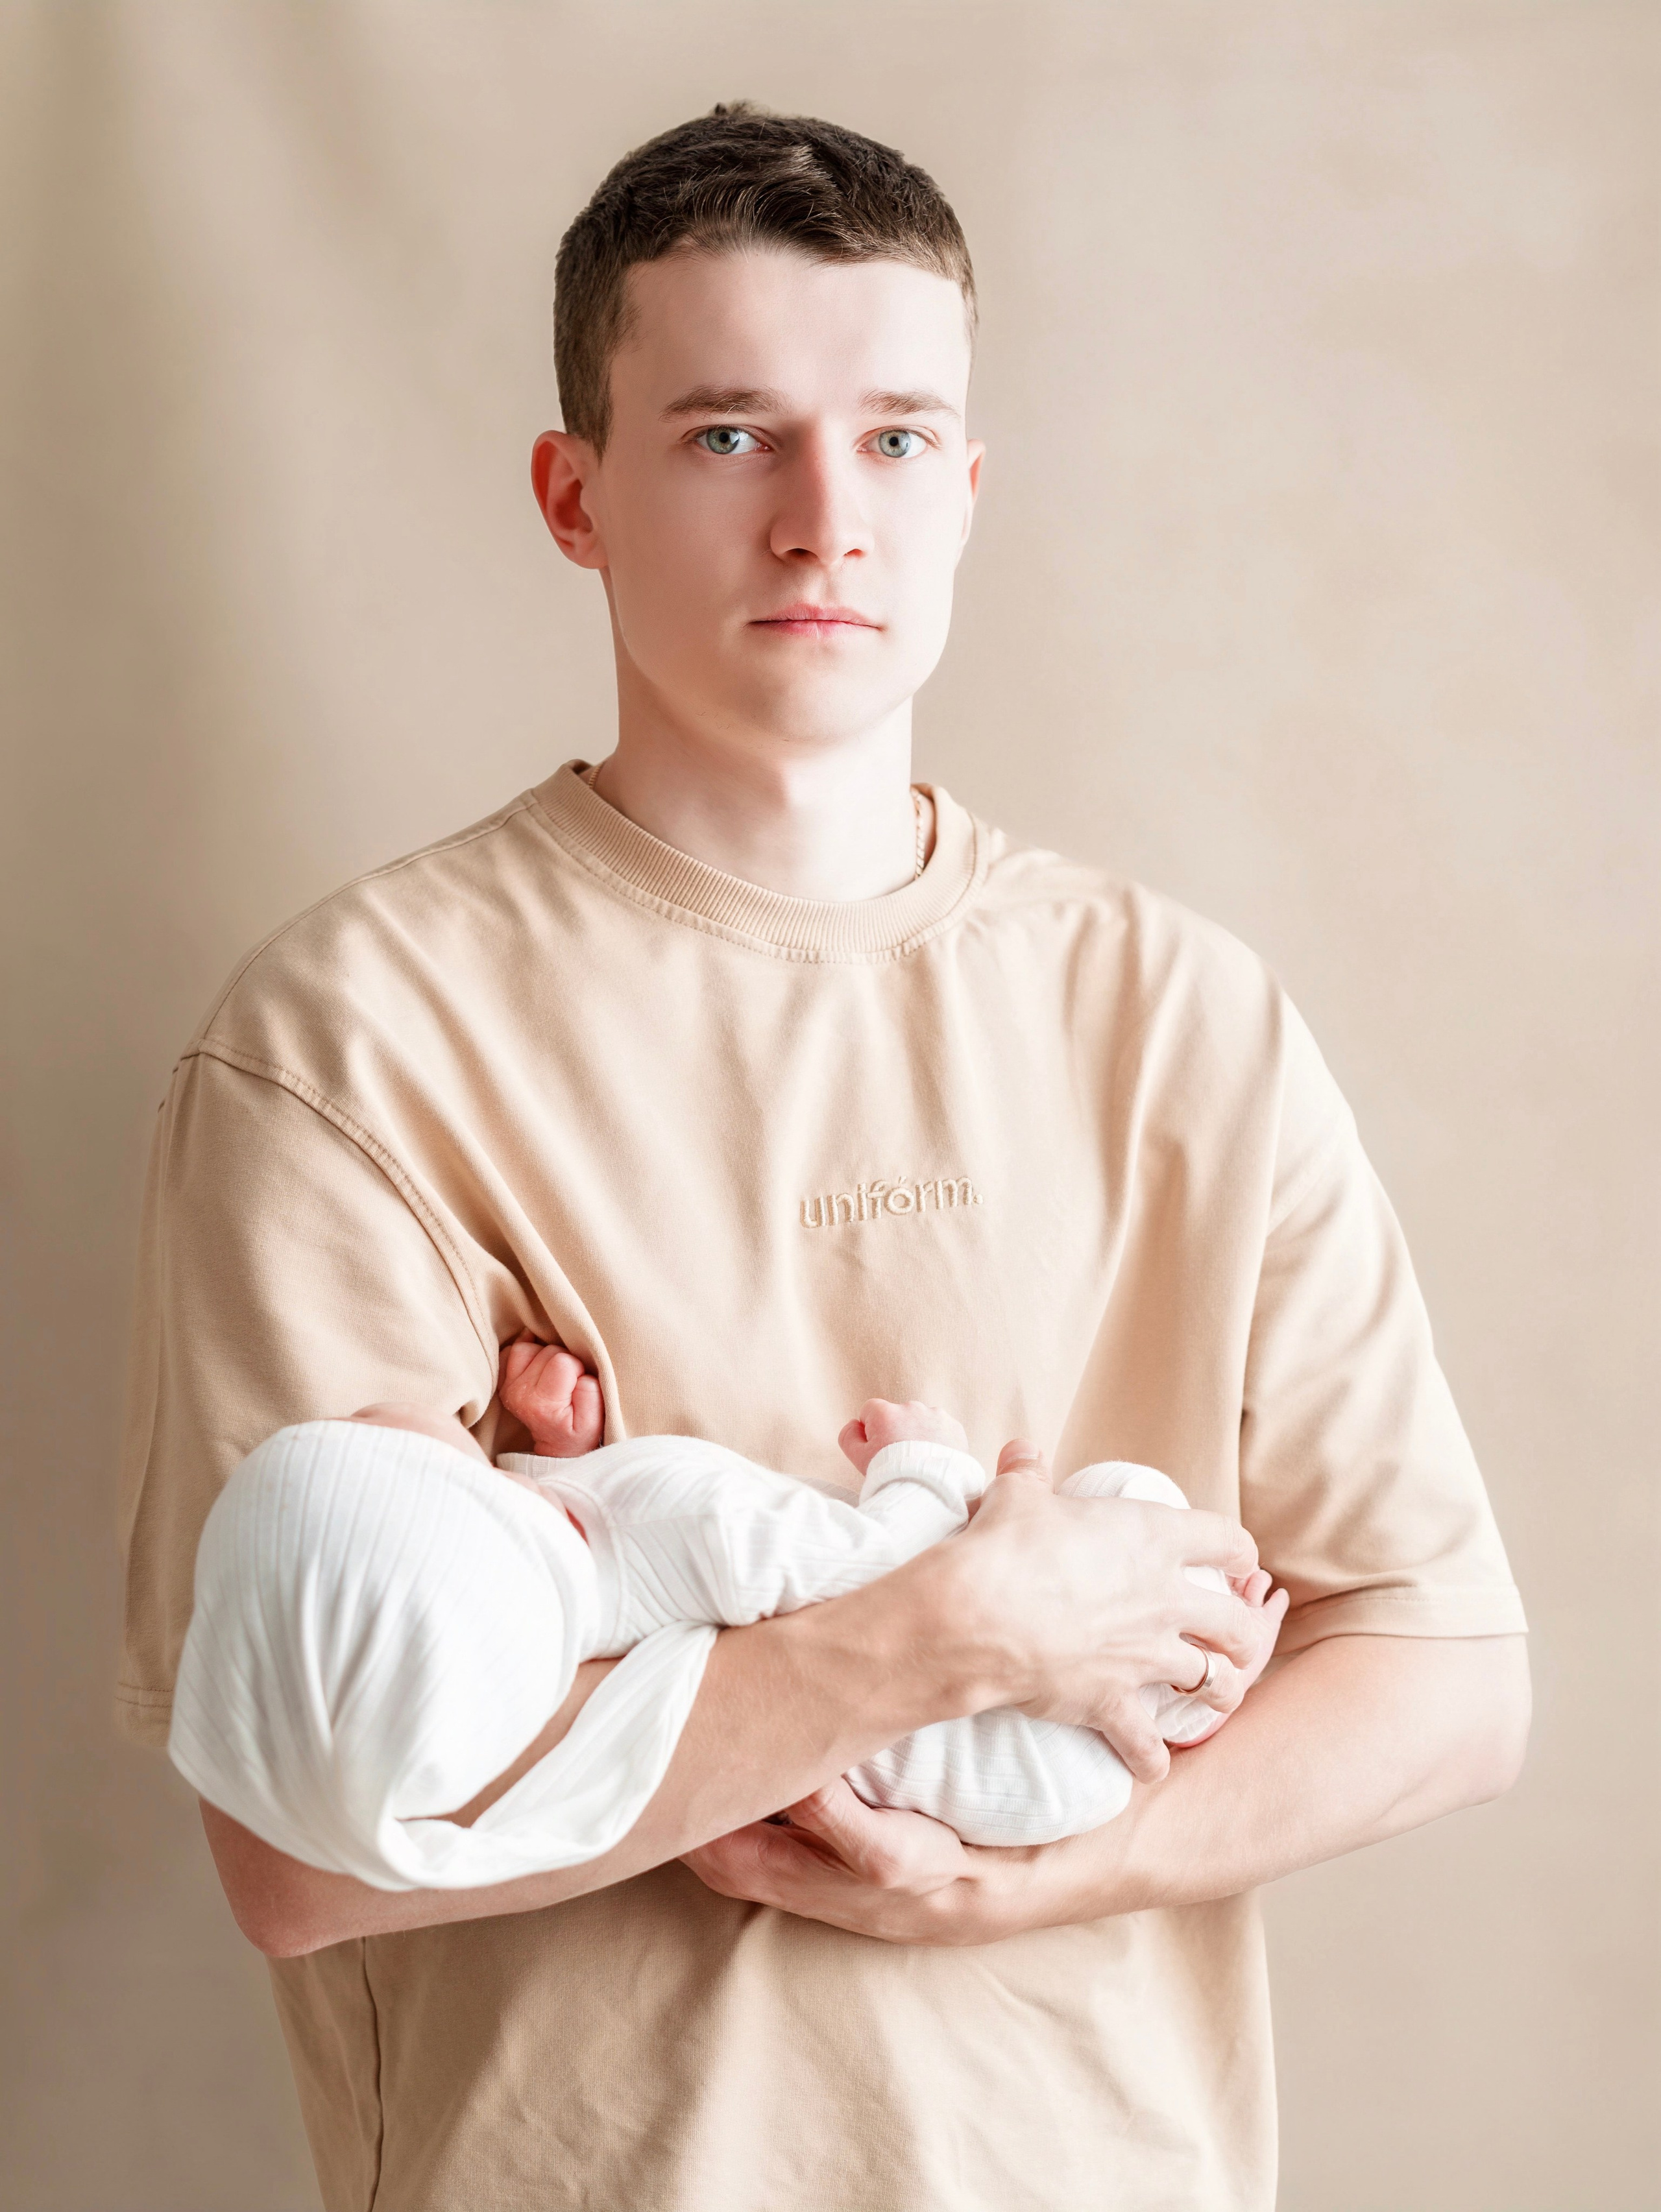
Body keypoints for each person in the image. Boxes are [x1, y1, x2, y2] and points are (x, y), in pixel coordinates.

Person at [116, 102, 1529, 2212]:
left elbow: (1444, 1676)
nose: (821, 523)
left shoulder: (1182, 1014)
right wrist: (948, 1636)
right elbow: (310, 1848)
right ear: (572, 493)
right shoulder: (348, 1045)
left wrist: (1004, 1888)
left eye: (890, 439)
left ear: (967, 487)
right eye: (724, 436)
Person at [167, 1364, 1285, 1890]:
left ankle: (1193, 1671)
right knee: (1125, 1495)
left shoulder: (551, 1640)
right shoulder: (691, 1519)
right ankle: (1207, 1655)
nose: (371, 1407)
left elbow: (574, 1590)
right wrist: (922, 1460)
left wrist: (569, 1448)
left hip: (985, 1795)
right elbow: (877, 1568)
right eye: (382, 1436)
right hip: (1046, 1758)